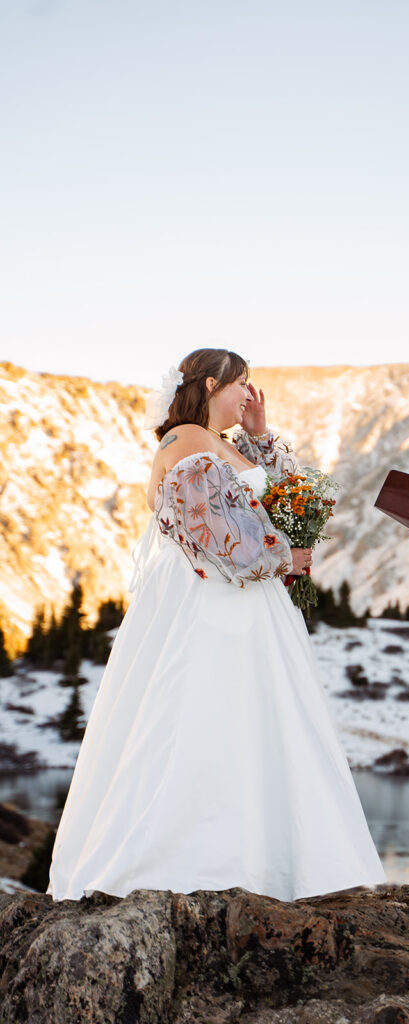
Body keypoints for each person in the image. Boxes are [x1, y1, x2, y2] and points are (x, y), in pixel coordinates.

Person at [48, 348, 385, 902]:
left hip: (250, 603)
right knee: (201, 712)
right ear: (211, 384)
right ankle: (187, 858)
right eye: (241, 385)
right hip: (209, 599)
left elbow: (283, 495)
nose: (249, 394)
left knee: (264, 717)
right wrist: (285, 560)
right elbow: (210, 533)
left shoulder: (224, 443)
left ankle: (279, 859)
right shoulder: (183, 440)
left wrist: (260, 433)